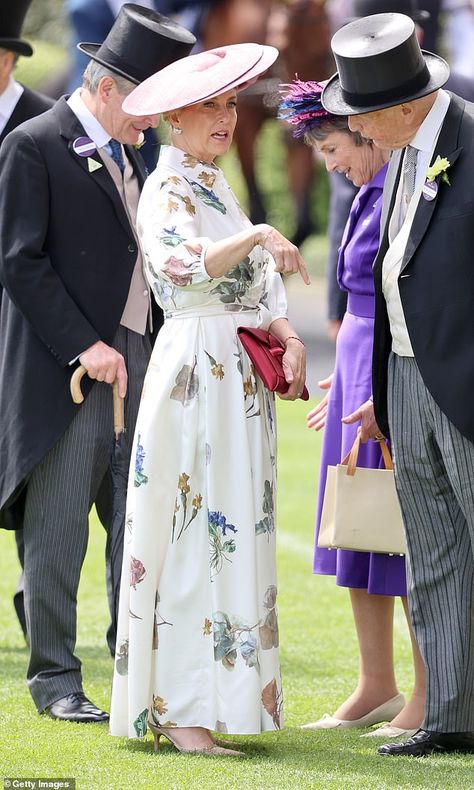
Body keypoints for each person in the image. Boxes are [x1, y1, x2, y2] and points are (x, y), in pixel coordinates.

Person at [109, 43, 309, 755]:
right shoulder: (168, 185)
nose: (225, 118)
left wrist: (288, 335)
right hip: (195, 366)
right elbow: (178, 262)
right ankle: (183, 713)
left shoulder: (215, 182)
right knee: (196, 529)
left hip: (237, 373)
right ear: (173, 118)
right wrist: (257, 232)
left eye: (230, 104)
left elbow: (259, 279)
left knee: (231, 531)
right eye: (210, 106)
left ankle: (221, 703)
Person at [0, 4, 195, 723]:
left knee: (135, 525)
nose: (149, 126)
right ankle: (54, 679)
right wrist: (86, 346)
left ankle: (131, 674)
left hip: (141, 361)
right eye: (143, 109)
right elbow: (19, 264)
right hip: (68, 373)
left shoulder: (131, 151)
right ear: (104, 86)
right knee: (55, 536)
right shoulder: (33, 144)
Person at [322, 11, 474, 756]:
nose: (356, 136)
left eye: (360, 120)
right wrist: (382, 390)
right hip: (406, 383)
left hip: (466, 381)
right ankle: (452, 717)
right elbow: (392, 278)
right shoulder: (404, 150)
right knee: (435, 553)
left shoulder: (469, 139)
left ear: (400, 108)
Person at [279, 79, 425, 739]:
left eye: (333, 147)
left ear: (365, 133)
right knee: (356, 526)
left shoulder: (403, 186)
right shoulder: (364, 188)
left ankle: (429, 691)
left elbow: (405, 298)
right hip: (359, 368)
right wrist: (345, 375)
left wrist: (378, 385)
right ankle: (376, 685)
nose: (330, 163)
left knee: (408, 538)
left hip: (394, 371)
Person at [0, 0, 54, 641]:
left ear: (8, 59)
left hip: (26, 324)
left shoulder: (46, 126)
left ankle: (29, 590)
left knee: (25, 460)